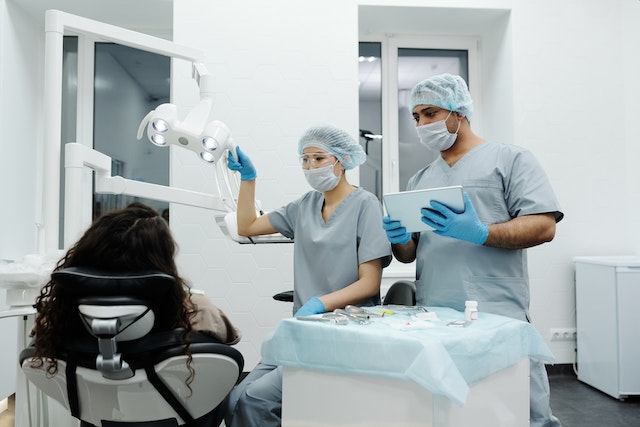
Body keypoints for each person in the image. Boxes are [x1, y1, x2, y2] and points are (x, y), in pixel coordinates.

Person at [382, 73, 563, 427]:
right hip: (435, 316)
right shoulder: (420, 179)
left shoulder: (510, 160)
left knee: (519, 410)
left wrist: (480, 232)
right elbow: (409, 254)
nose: (421, 124)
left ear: (458, 111)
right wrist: (399, 237)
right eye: (416, 117)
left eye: (430, 113)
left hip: (496, 311)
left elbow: (544, 226)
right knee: (450, 412)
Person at [224, 125, 392, 427]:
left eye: (318, 158)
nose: (310, 167)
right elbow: (247, 226)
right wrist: (248, 179)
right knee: (235, 396)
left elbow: (370, 283)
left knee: (255, 399)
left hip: (343, 331)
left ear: (341, 160)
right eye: (305, 159)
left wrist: (319, 303)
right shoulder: (305, 205)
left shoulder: (366, 205)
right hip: (302, 330)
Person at [31, 202, 241, 426]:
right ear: (161, 259)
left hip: (104, 417)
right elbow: (228, 339)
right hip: (179, 414)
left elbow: (38, 340)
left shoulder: (62, 311)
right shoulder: (194, 308)